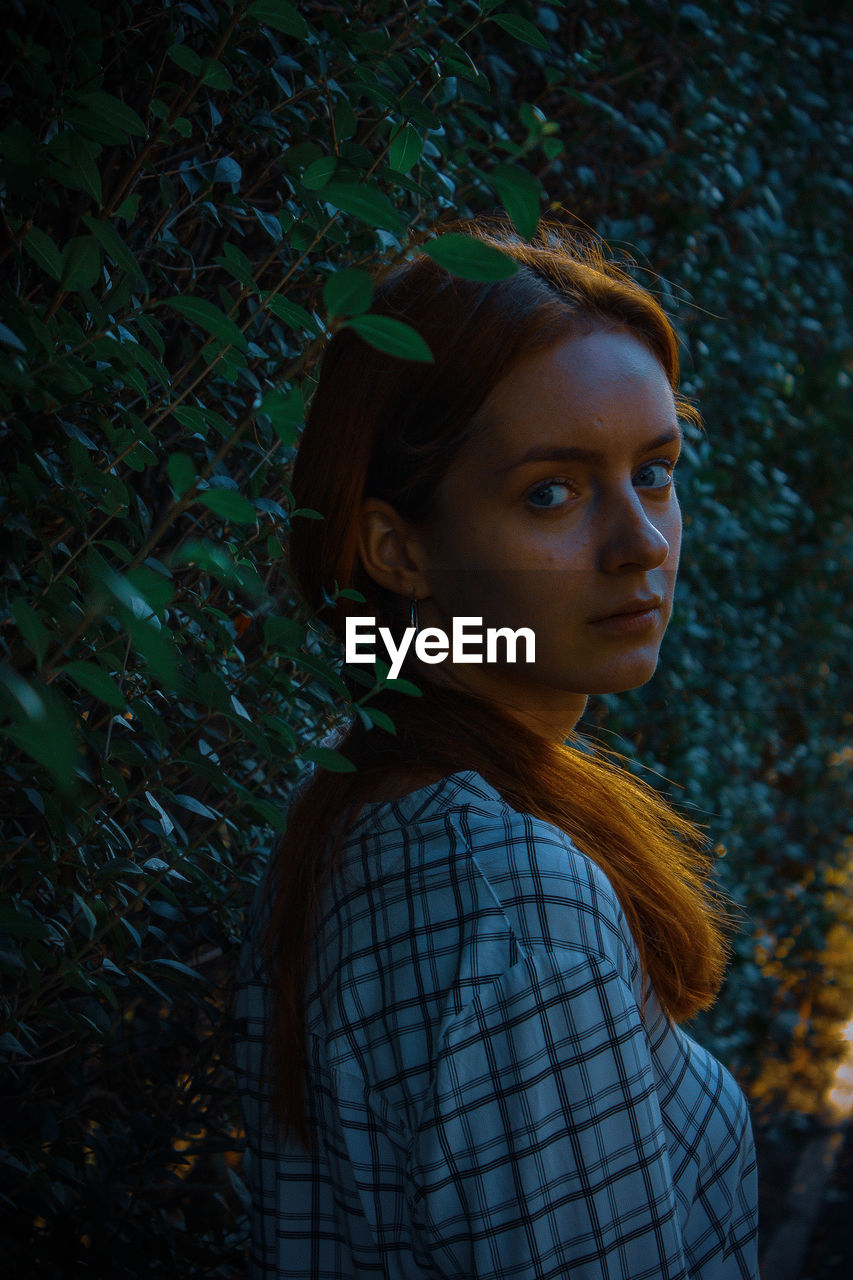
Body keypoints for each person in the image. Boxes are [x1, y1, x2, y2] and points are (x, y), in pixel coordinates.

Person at [233, 223, 759, 1278]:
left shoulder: (364, 787)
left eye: (655, 471)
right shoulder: (511, 899)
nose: (642, 543)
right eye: (551, 492)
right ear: (400, 547)